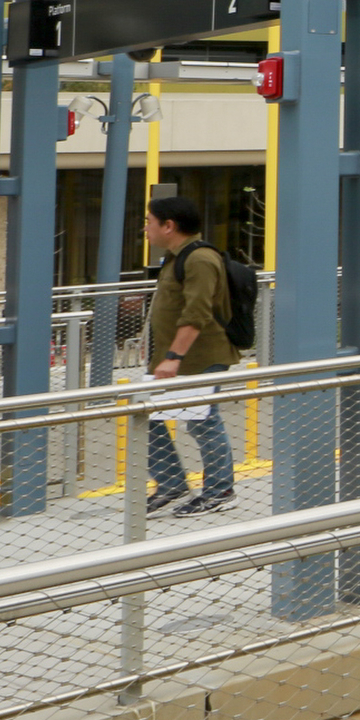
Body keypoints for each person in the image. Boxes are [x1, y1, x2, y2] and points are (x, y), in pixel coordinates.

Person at [141, 196, 238, 516]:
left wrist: (173, 356)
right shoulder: (176, 257)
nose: (145, 229)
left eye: (149, 221)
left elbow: (196, 313)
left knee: (202, 423)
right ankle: (170, 483)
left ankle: (220, 490)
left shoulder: (199, 259)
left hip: (196, 358)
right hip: (173, 358)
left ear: (169, 226)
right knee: (146, 415)